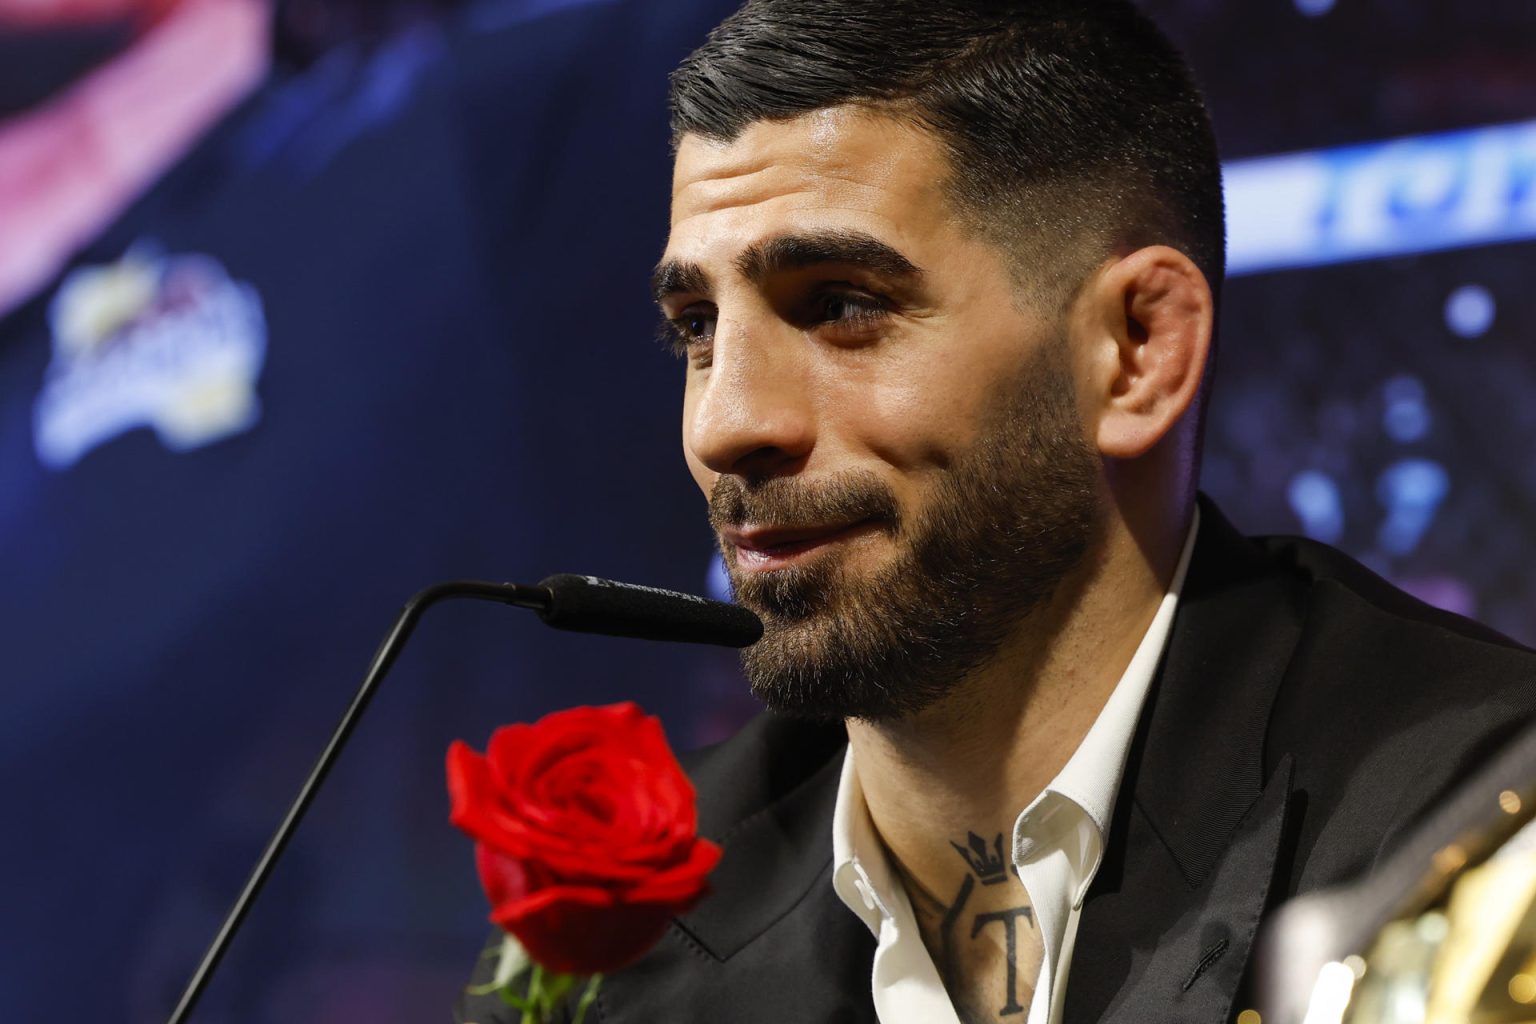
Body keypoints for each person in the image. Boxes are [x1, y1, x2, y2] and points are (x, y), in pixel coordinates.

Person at [458, 1, 1536, 1021]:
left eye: (840, 305)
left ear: (1137, 350)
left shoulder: (1475, 832)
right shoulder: (624, 947)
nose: (724, 425)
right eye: (696, 326)